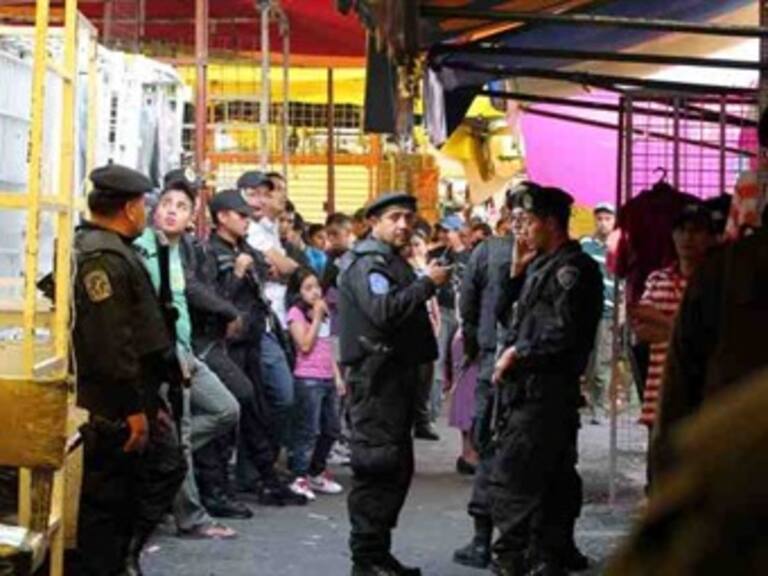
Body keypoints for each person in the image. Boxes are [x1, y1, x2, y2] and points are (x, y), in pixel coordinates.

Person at [71, 164, 187, 575]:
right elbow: (110, 344)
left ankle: (121, 557)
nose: (144, 211)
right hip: (115, 403)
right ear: (129, 208)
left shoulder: (112, 249)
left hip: (133, 393)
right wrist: (133, 408)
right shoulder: (102, 257)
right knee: (108, 501)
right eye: (141, 204)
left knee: (140, 483)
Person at [490, 185, 603, 576]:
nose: (521, 230)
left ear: (551, 223)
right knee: (551, 478)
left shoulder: (574, 270)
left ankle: (514, 557)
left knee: (519, 479)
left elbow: (563, 333)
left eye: (528, 221)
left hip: (546, 392)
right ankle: (546, 554)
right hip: (527, 392)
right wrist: (515, 274)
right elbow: (506, 317)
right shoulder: (538, 265)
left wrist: (519, 353)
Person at [338, 192, 451, 576]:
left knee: (395, 468)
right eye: (394, 217)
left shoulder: (389, 261)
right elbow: (382, 312)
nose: (403, 225)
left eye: (408, 218)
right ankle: (366, 559)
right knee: (378, 466)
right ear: (373, 221)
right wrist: (427, 284)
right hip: (376, 381)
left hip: (394, 380)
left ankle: (377, 553)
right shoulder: (369, 263)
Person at [134, 168, 239, 538]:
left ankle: (160, 466)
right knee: (181, 436)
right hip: (162, 357)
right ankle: (192, 517)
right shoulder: (143, 248)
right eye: (166, 204)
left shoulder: (187, 252)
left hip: (186, 351)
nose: (172, 211)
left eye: (181, 206)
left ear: (193, 216)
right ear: (154, 209)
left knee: (226, 409)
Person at [651, 204, 768, 481]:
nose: (688, 239)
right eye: (683, 230)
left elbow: (679, 383)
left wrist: (667, 476)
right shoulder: (718, 272)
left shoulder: (723, 270)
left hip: (734, 449)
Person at [205, 188, 306, 506]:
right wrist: (237, 272)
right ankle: (218, 489)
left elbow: (277, 271)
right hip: (226, 344)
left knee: (257, 412)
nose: (248, 221)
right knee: (232, 414)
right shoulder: (211, 252)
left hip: (252, 339)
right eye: (241, 215)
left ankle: (266, 479)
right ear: (222, 218)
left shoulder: (245, 248)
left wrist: (257, 267)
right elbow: (214, 298)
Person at [453, 185, 524, 570]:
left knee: (489, 447)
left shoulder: (488, 251)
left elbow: (468, 301)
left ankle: (484, 542)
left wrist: (476, 346)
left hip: (494, 361)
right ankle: (516, 545)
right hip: (525, 368)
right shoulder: (555, 254)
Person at [631, 203, 714, 433]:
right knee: (660, 465)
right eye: (682, 230)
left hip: (704, 397)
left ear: (710, 238)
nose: (688, 237)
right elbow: (641, 327)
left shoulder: (717, 282)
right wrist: (686, 332)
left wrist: (666, 326)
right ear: (673, 235)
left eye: (696, 231)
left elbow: (715, 336)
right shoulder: (658, 278)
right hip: (659, 396)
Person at [239, 170, 297, 455]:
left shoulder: (270, 228)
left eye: (266, 192)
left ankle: (264, 464)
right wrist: (282, 267)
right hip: (259, 326)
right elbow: (285, 268)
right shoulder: (250, 230)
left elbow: (286, 268)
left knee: (270, 398)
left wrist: (284, 267)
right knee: (278, 396)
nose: (262, 199)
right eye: (254, 193)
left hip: (276, 323)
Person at [286, 267, 344, 501]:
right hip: (308, 377)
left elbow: (327, 346)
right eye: (308, 288)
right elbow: (305, 345)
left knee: (332, 429)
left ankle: (316, 471)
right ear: (298, 292)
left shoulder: (325, 311)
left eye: (316, 287)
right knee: (308, 430)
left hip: (327, 376)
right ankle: (299, 476)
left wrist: (337, 375)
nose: (314, 292)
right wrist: (317, 318)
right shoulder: (296, 314)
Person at [428, 214, 471, 437]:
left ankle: (463, 410)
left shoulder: (471, 256)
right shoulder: (436, 255)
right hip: (442, 311)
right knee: (437, 359)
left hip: (463, 314)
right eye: (443, 231)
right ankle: (431, 414)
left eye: (449, 231)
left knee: (462, 364)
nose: (445, 235)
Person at [580, 202, 617, 424]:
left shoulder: (620, 247)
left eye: (608, 218)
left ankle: (599, 406)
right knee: (583, 357)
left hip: (607, 312)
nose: (603, 223)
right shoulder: (585, 244)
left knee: (602, 361)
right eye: (600, 218)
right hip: (583, 311)